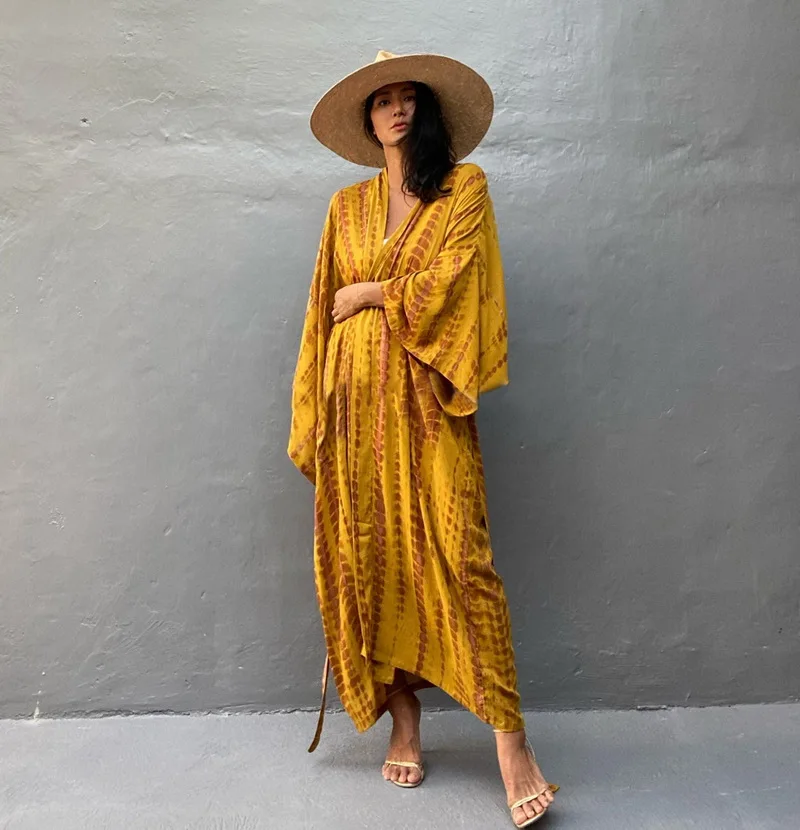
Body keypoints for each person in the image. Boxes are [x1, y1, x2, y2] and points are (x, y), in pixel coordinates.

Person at [288, 50, 559, 828]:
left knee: (463, 557)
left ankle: (512, 742)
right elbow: (322, 312)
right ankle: (403, 720)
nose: (398, 108)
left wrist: (373, 291)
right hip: (353, 407)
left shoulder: (463, 189)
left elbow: (456, 279)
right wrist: (314, 415)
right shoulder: (346, 207)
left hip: (428, 403)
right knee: (373, 555)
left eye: (410, 97)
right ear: (369, 119)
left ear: (428, 111)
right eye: (384, 100)